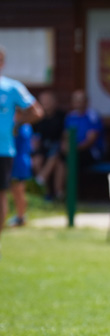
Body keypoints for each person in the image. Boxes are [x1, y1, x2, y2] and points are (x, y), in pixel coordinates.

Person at [0, 45, 44, 253]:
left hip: (4, 150)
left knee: (5, 193)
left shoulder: (11, 87)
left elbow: (36, 111)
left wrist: (16, 123)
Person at [55, 90, 105, 200]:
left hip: (91, 152)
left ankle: (71, 195)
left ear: (87, 102)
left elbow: (90, 140)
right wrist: (65, 146)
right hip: (73, 151)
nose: (78, 103)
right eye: (75, 101)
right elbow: (65, 136)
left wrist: (73, 149)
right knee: (59, 157)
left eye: (80, 101)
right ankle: (59, 193)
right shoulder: (70, 117)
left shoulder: (93, 116)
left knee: (70, 159)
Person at [31, 90, 66, 199]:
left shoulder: (62, 116)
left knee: (58, 162)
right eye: (43, 101)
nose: (45, 103)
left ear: (54, 102)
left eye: (48, 101)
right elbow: (34, 138)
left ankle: (41, 182)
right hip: (43, 148)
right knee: (37, 161)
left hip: (58, 150)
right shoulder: (37, 118)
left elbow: (66, 136)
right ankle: (45, 193)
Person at [8, 117, 33, 227]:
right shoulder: (24, 126)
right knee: (16, 191)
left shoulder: (21, 126)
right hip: (20, 160)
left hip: (18, 161)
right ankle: (20, 216)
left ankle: (21, 217)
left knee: (18, 190)